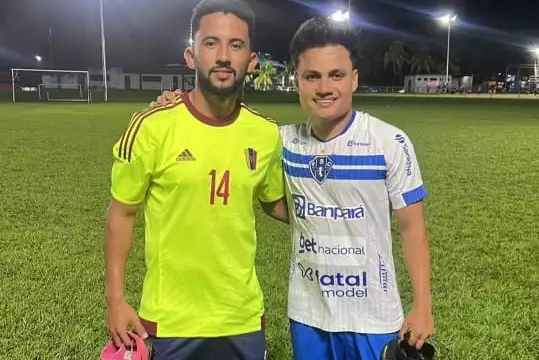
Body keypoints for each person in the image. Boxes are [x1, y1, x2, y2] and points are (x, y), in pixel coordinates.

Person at [153, 16, 435, 360]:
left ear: (354, 79)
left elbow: (412, 228)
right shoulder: (280, 141)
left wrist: (423, 306)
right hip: (308, 314)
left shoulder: (389, 142)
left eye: (336, 75)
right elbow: (265, 191)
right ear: (298, 81)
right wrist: (175, 104)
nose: (324, 87)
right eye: (312, 76)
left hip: (373, 316)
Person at [103, 0, 288, 359]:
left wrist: (345, 204)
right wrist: (115, 298)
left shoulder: (266, 134)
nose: (223, 56)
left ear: (251, 61)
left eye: (236, 45)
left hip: (242, 319)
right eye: (210, 43)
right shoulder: (152, 127)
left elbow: (277, 204)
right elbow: (121, 213)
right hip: (169, 321)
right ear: (191, 55)